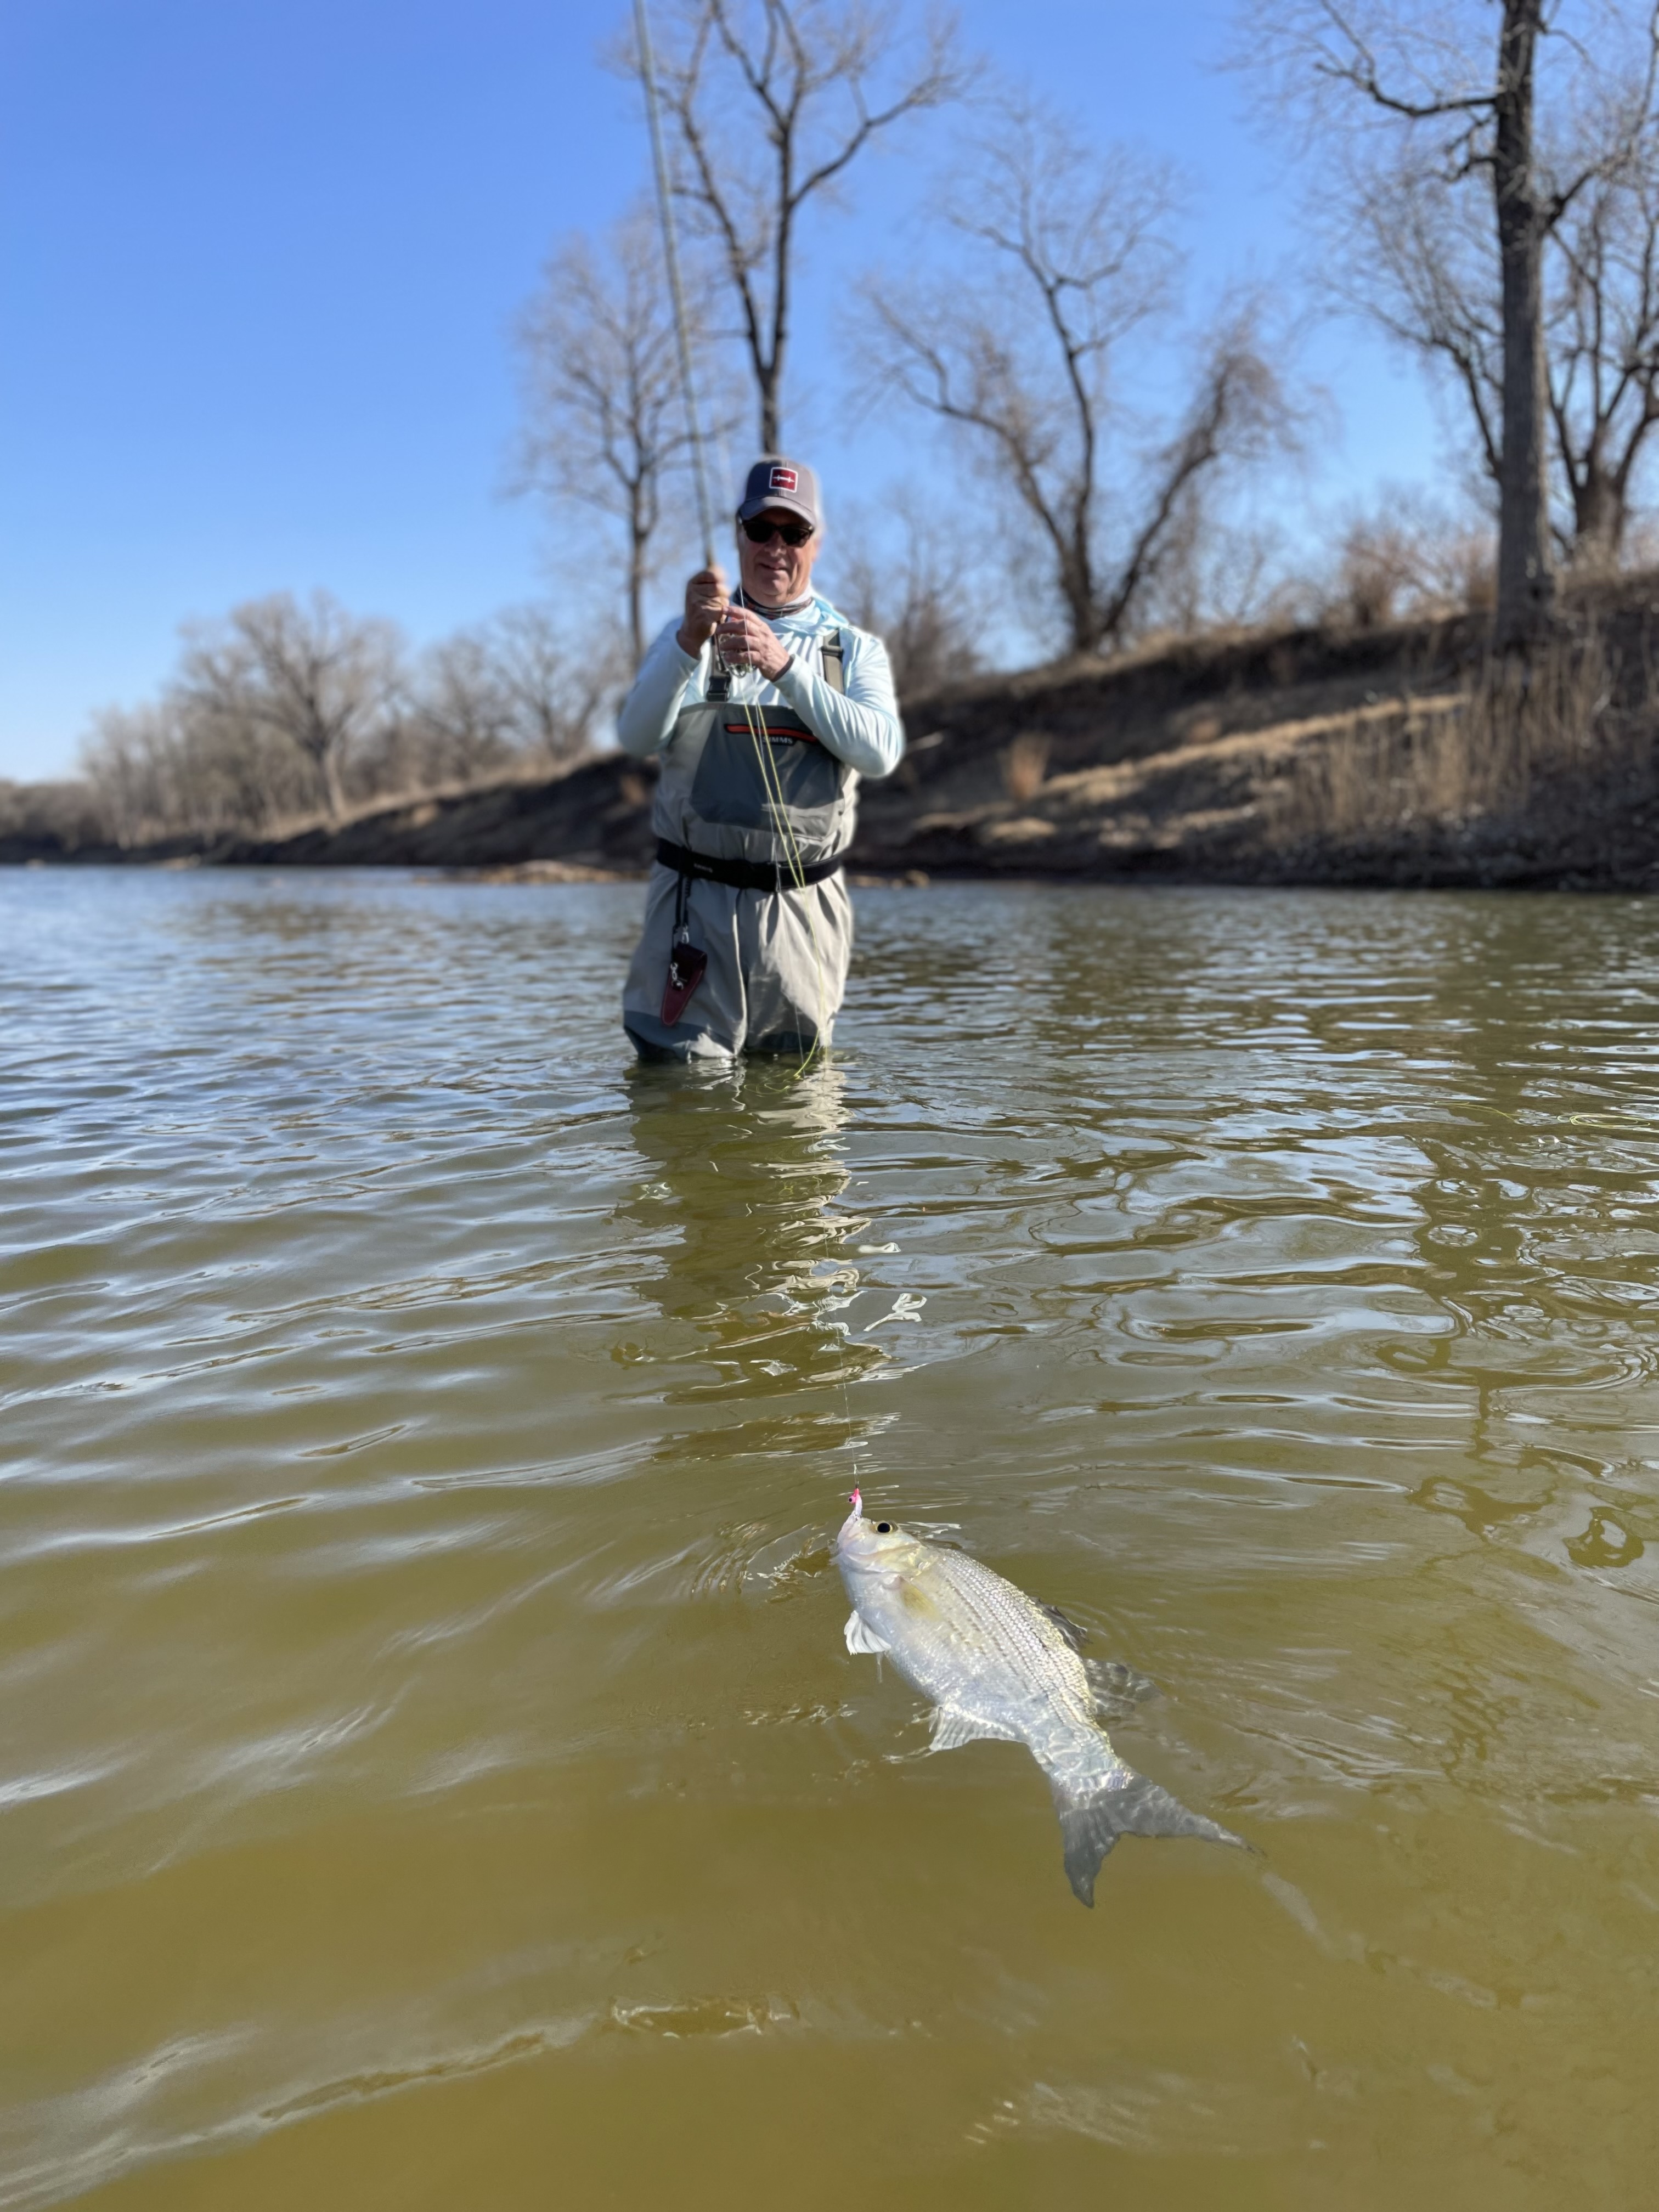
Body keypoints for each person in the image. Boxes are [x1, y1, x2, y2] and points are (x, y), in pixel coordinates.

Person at [616, 456, 904, 1063]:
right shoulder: (684, 634)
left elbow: (879, 752)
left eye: (792, 532)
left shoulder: (853, 651)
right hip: (691, 913)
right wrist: (687, 645)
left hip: (801, 914)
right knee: (679, 1096)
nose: (776, 547)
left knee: (795, 1116)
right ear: (739, 534)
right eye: (761, 529)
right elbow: (638, 737)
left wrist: (784, 667)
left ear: (816, 544)